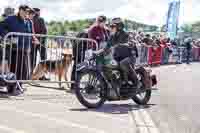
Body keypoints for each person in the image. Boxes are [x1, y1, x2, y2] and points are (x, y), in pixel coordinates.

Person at [0, 5, 32, 93]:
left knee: (23, 69)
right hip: (13, 49)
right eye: (25, 11)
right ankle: (12, 87)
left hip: (24, 49)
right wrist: (8, 35)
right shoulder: (11, 19)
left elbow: (29, 34)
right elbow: (1, 26)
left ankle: (19, 86)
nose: (27, 13)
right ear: (20, 10)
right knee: (14, 68)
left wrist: (29, 46)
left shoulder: (28, 21)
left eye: (28, 12)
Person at [105, 18, 138, 88]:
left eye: (112, 26)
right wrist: (97, 53)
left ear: (119, 27)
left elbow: (130, 42)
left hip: (129, 56)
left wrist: (127, 44)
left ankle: (135, 82)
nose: (110, 28)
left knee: (123, 63)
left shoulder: (125, 34)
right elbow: (106, 47)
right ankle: (115, 84)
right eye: (110, 26)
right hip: (118, 57)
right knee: (109, 65)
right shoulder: (112, 36)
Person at [33, 8, 48, 80]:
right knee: (44, 59)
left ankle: (31, 74)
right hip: (41, 42)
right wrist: (41, 41)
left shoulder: (30, 19)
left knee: (32, 59)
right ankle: (42, 76)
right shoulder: (40, 19)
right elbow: (44, 31)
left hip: (33, 42)